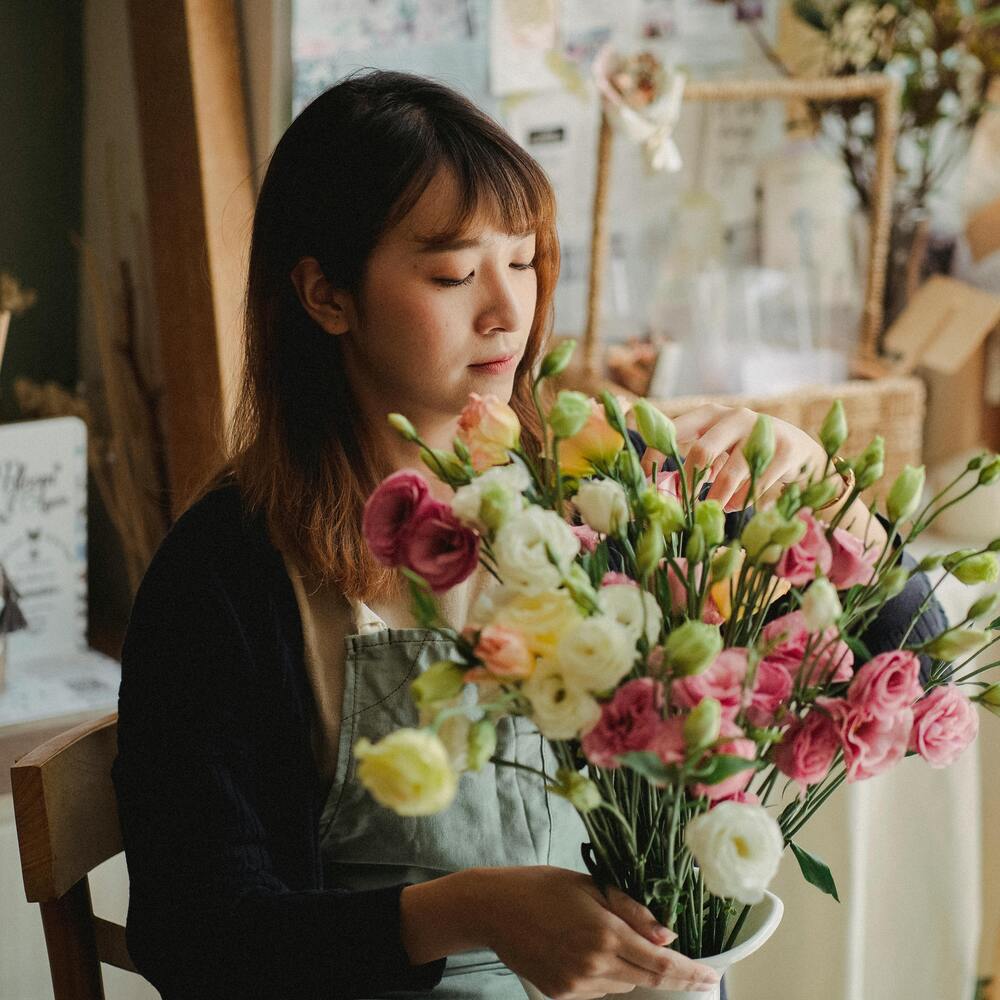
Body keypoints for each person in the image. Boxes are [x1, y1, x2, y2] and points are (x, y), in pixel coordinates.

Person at [112, 70, 946, 1000]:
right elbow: (199, 938)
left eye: (526, 259)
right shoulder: (227, 575)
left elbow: (921, 674)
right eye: (455, 274)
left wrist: (830, 496)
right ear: (325, 295)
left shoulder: (608, 481)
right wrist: (466, 912)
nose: (509, 310)